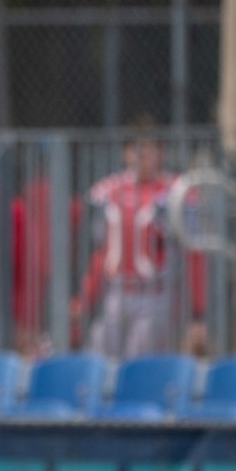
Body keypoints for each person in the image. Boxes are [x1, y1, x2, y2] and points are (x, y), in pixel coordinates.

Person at [75, 121, 206, 360]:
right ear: (125, 153)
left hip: (156, 294)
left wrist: (198, 313)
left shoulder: (177, 193)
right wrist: (84, 299)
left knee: (140, 360)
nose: (141, 156)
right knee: (98, 354)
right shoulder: (107, 190)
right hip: (116, 293)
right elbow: (99, 253)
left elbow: (194, 255)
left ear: (161, 153)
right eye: (135, 149)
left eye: (148, 149)